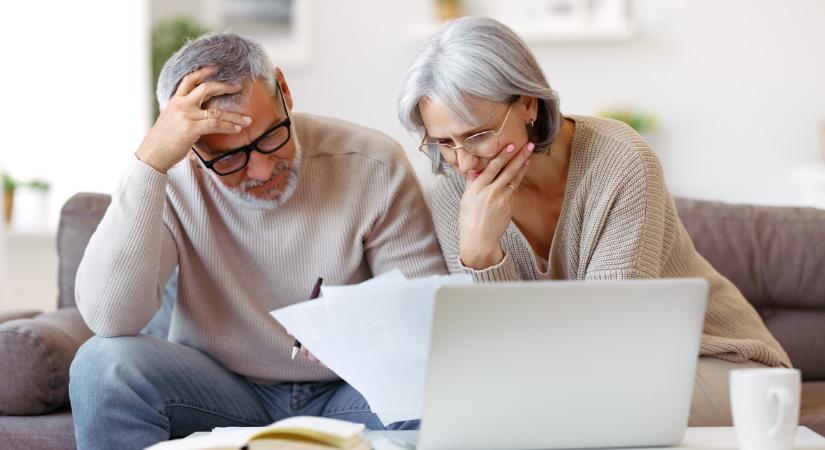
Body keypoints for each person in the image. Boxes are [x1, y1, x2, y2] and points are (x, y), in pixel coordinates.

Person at [397, 16, 791, 426]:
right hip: (585, 386)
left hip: (716, 363)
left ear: (529, 103)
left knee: (568, 411)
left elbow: (610, 340)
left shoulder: (620, 160)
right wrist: (481, 256)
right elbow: (495, 354)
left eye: (478, 135)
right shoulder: (452, 192)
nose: (462, 162)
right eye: (444, 142)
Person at [69, 32, 445, 450]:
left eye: (270, 137)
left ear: (283, 90)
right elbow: (110, 320)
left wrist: (354, 335)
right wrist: (149, 164)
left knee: (446, 390)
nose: (263, 171)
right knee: (100, 366)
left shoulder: (372, 163)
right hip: (219, 388)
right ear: (191, 147)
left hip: (349, 390)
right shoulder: (171, 175)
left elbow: (428, 321)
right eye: (228, 158)